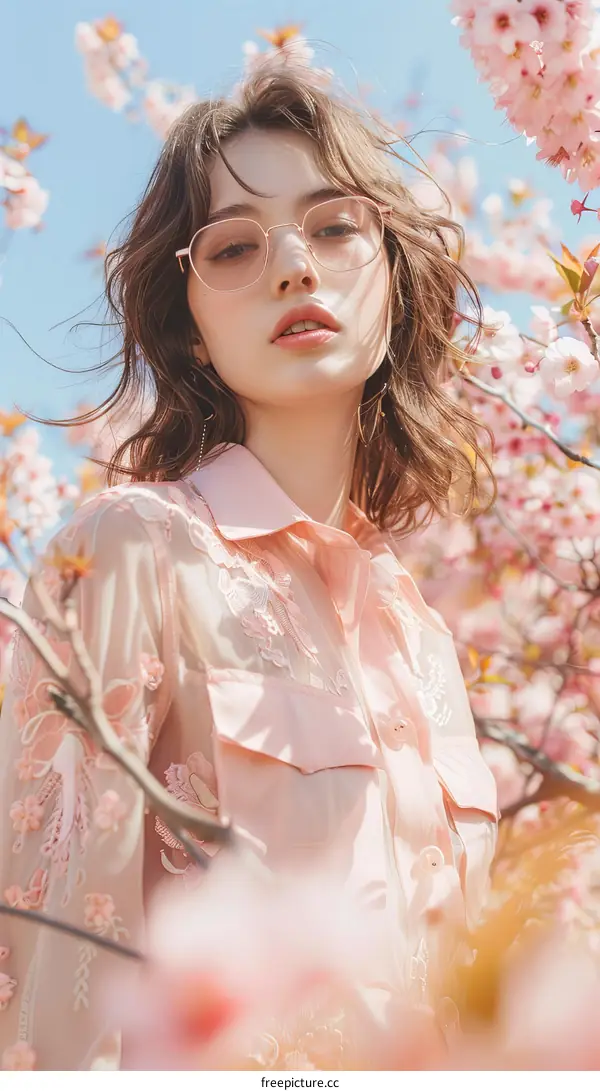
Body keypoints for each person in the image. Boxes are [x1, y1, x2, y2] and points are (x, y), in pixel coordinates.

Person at [0, 61, 499, 1071]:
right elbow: (52, 965)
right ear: (187, 323)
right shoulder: (129, 550)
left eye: (333, 227)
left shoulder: (425, 636)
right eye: (234, 245)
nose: (293, 267)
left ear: (394, 275)